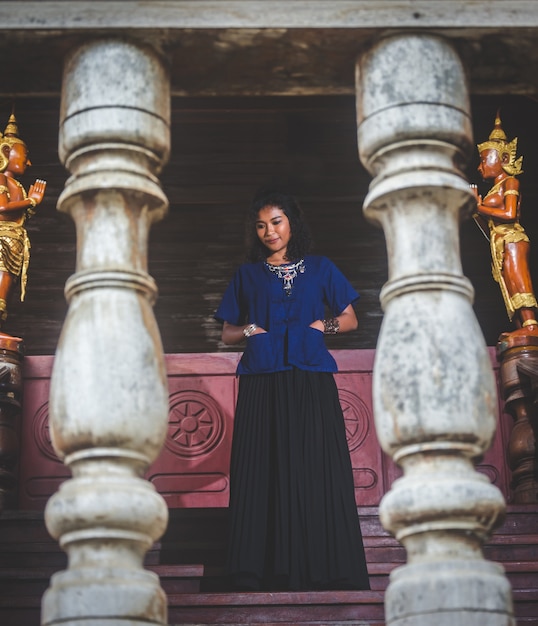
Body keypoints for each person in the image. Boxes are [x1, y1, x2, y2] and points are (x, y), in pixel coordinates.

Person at [214, 189, 370, 592]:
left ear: (292, 224)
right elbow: (228, 330)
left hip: (310, 377)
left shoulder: (320, 268)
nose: (269, 231)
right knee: (264, 469)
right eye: (261, 225)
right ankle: (260, 570)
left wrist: (324, 326)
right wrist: (250, 329)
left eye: (277, 222)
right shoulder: (247, 274)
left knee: (314, 468)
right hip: (263, 379)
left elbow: (351, 319)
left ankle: (324, 567)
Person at [471, 112, 538, 334]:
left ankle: (531, 324)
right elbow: (487, 231)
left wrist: (480, 207)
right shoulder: (492, 190)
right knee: (507, 285)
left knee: (518, 280)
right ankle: (521, 327)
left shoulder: (511, 182)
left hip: (512, 238)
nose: (480, 168)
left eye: (483, 160)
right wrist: (475, 211)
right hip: (499, 241)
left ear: (504, 159)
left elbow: (510, 213)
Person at [0, 112, 46, 339]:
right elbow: (2, 207)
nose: (28, 162)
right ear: (7, 153)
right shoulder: (1, 179)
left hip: (13, 240)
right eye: (25, 155)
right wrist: (31, 201)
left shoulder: (16, 184)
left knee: (6, 286)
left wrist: (30, 205)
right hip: (3, 241)